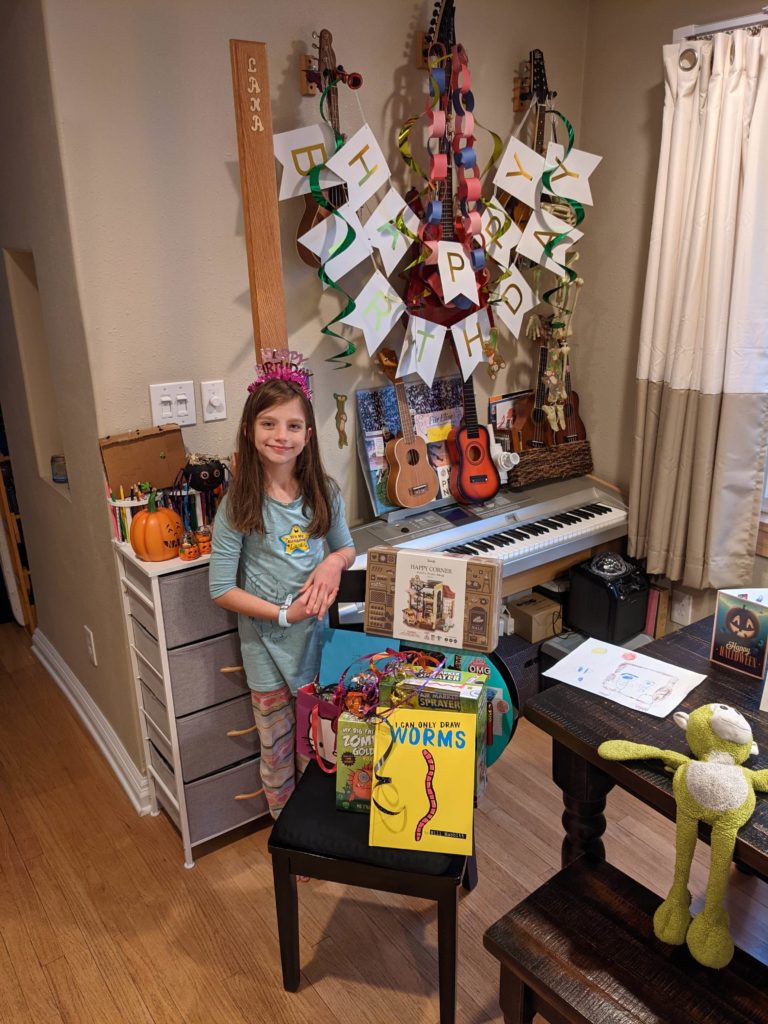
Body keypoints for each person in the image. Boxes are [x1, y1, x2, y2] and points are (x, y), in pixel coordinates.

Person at [209, 367, 355, 818]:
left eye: (293, 426)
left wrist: (333, 562)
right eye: (269, 423)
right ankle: (286, 827)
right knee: (276, 751)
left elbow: (347, 548)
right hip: (265, 650)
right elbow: (221, 588)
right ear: (250, 431)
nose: (281, 435)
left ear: (308, 435)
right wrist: (281, 615)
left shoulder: (324, 492)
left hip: (317, 645)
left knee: (319, 743)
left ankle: (316, 824)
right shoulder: (237, 504)